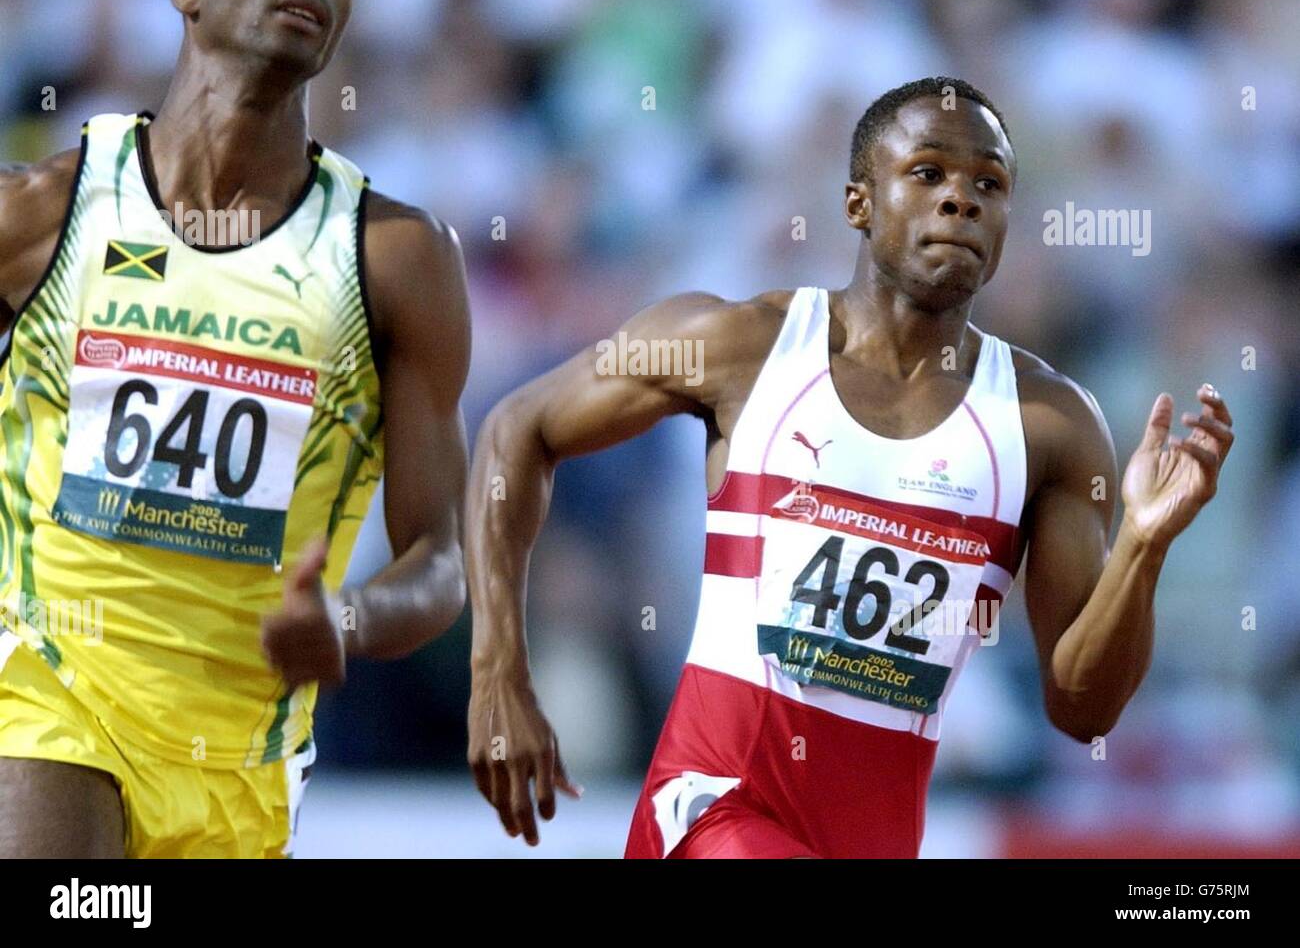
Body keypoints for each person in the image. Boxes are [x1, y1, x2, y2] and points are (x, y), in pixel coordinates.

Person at [465, 76, 1233, 857]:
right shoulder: (741, 346)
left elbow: (1082, 708)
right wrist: (498, 671)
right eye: (928, 172)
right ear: (858, 203)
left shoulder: (1049, 427)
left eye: (989, 184)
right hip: (709, 812)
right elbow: (515, 429)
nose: (960, 199)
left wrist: (1142, 543)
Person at [0, 0, 470, 858]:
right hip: (45, 692)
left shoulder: (394, 258)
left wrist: (350, 616)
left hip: (241, 760)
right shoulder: (44, 214)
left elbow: (439, 558)